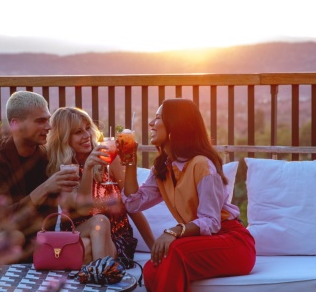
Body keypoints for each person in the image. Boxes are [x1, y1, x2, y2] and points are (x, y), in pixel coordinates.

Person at [121, 98, 256, 292]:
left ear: (175, 126)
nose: (151, 123)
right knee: (151, 269)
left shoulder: (201, 165)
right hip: (202, 242)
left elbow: (211, 221)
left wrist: (173, 232)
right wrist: (130, 161)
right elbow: (133, 204)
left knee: (174, 250)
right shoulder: (163, 168)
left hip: (232, 242)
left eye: (158, 118)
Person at [0, 91, 80, 263]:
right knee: (13, 238)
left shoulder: (47, 156)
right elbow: (2, 218)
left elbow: (67, 208)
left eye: (48, 119)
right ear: (15, 124)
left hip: (39, 235)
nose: (48, 126)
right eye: (40, 121)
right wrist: (45, 188)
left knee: (89, 235)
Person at [46, 107, 155, 266]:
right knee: (98, 223)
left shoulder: (109, 158)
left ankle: (96, 274)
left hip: (116, 238)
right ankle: (103, 276)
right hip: (76, 234)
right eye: (78, 132)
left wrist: (153, 247)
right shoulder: (63, 169)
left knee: (95, 232)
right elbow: (83, 209)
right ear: (64, 138)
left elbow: (131, 204)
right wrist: (88, 168)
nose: (86, 135)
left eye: (87, 128)